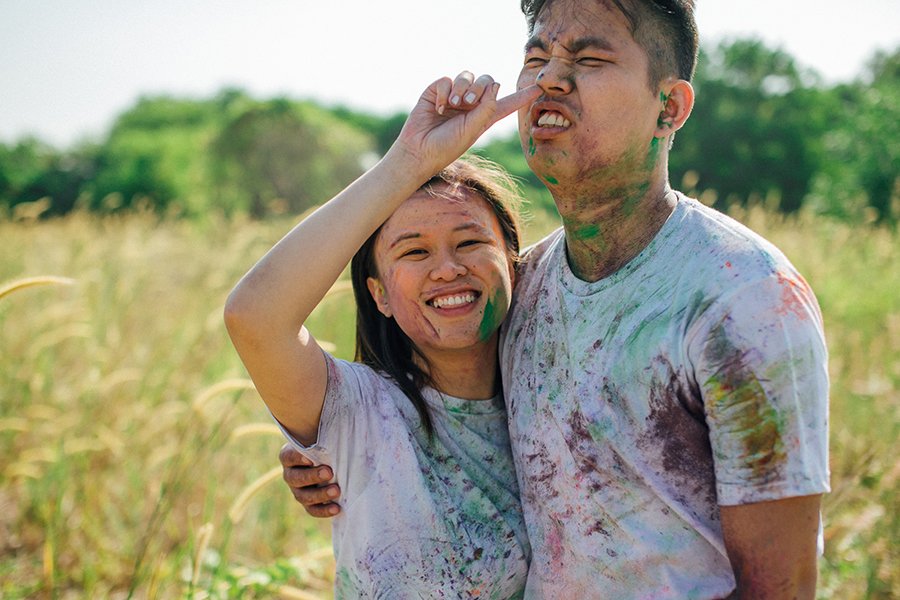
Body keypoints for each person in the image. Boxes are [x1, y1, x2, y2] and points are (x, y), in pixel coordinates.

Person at [281, 0, 830, 597]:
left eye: (588, 58)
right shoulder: (524, 288)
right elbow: (446, 416)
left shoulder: (742, 297)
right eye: (536, 57)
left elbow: (783, 587)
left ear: (668, 108)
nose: (549, 80)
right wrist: (330, 454)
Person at [224, 75, 543, 597]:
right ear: (379, 296)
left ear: (513, 263)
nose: (447, 269)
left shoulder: (557, 394)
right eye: (414, 252)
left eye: (469, 242)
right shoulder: (357, 412)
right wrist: (409, 162)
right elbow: (254, 317)